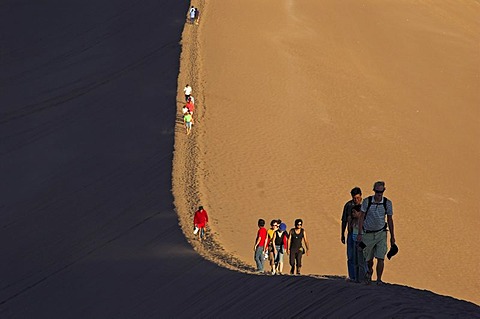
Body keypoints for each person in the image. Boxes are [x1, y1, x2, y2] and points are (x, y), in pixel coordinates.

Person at [357, 181, 395, 285]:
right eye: (377, 191)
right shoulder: (367, 201)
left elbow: (390, 220)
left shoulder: (387, 203)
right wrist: (360, 234)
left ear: (384, 191)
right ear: (374, 191)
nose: (379, 193)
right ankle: (370, 270)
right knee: (368, 259)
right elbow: (361, 217)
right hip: (368, 234)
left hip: (381, 233)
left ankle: (378, 279)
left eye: (381, 191)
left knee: (380, 257)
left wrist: (392, 237)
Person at [341, 187, 362, 281]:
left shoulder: (365, 205)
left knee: (362, 256)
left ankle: (362, 277)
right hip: (351, 234)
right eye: (354, 198)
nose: (356, 200)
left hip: (362, 235)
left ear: (361, 196)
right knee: (351, 256)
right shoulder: (348, 205)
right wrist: (342, 234)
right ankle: (352, 276)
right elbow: (344, 220)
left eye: (358, 198)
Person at [351, 205, 367, 283]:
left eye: (354, 212)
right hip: (355, 241)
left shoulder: (363, 222)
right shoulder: (353, 221)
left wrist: (362, 245)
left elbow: (366, 235)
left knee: (362, 262)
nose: (353, 214)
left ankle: (364, 279)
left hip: (361, 242)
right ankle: (356, 279)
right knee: (355, 261)